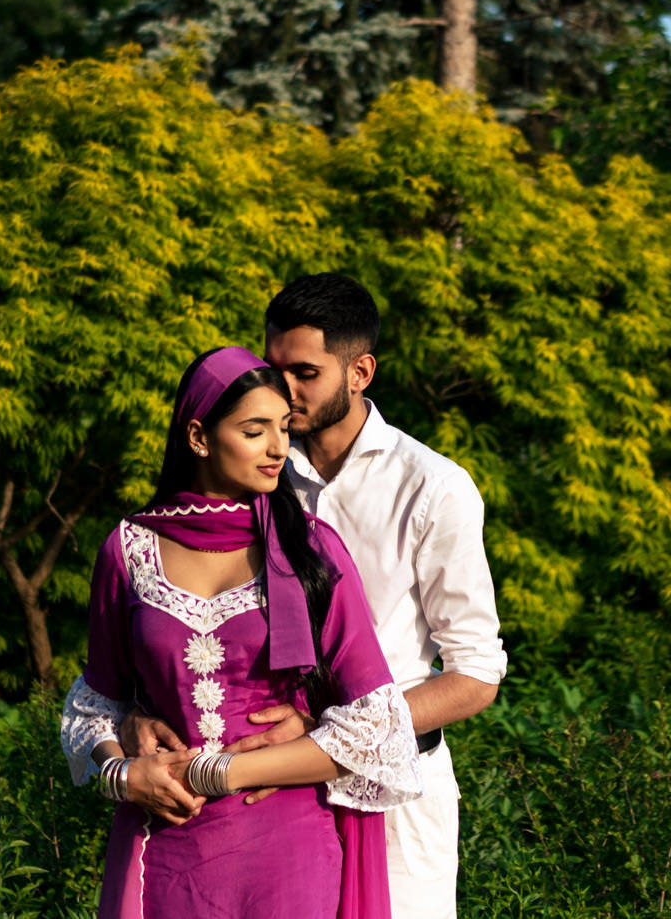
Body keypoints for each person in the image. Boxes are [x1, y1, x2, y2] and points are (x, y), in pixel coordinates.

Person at [126, 276, 506, 919]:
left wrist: (332, 732)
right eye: (272, 369)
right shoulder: (252, 469)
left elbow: (475, 676)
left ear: (360, 371)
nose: (283, 390)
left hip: (392, 799)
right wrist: (140, 713)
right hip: (258, 801)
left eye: (304, 372)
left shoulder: (433, 488)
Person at [59, 345, 423, 919]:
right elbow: (96, 705)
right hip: (166, 842)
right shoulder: (128, 550)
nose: (280, 448)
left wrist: (222, 769)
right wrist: (121, 775)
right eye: (256, 430)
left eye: (283, 427)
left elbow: (376, 726)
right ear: (199, 437)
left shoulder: (310, 551)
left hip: (290, 846)